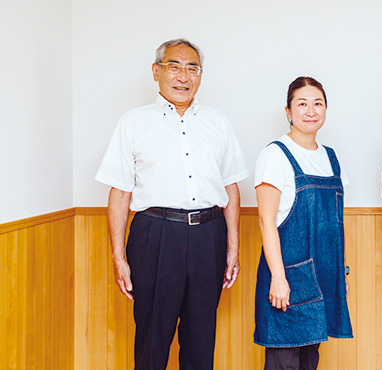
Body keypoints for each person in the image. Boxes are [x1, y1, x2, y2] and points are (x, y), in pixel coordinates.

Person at [95, 38, 249, 370]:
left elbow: (231, 189)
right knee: (152, 338)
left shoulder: (217, 122)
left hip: (209, 235)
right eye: (174, 66)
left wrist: (232, 247)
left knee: (201, 338)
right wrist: (118, 256)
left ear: (201, 75)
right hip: (155, 236)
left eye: (192, 68)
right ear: (156, 72)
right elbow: (120, 193)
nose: (183, 76)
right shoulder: (133, 123)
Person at [253, 76, 353, 370]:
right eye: (302, 104)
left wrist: (342, 271)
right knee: (284, 360)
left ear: (325, 109)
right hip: (289, 278)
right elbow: (265, 221)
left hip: (322, 276)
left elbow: (336, 225)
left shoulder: (331, 158)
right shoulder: (275, 155)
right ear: (288, 111)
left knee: (310, 360)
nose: (311, 111)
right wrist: (279, 278)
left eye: (318, 103)